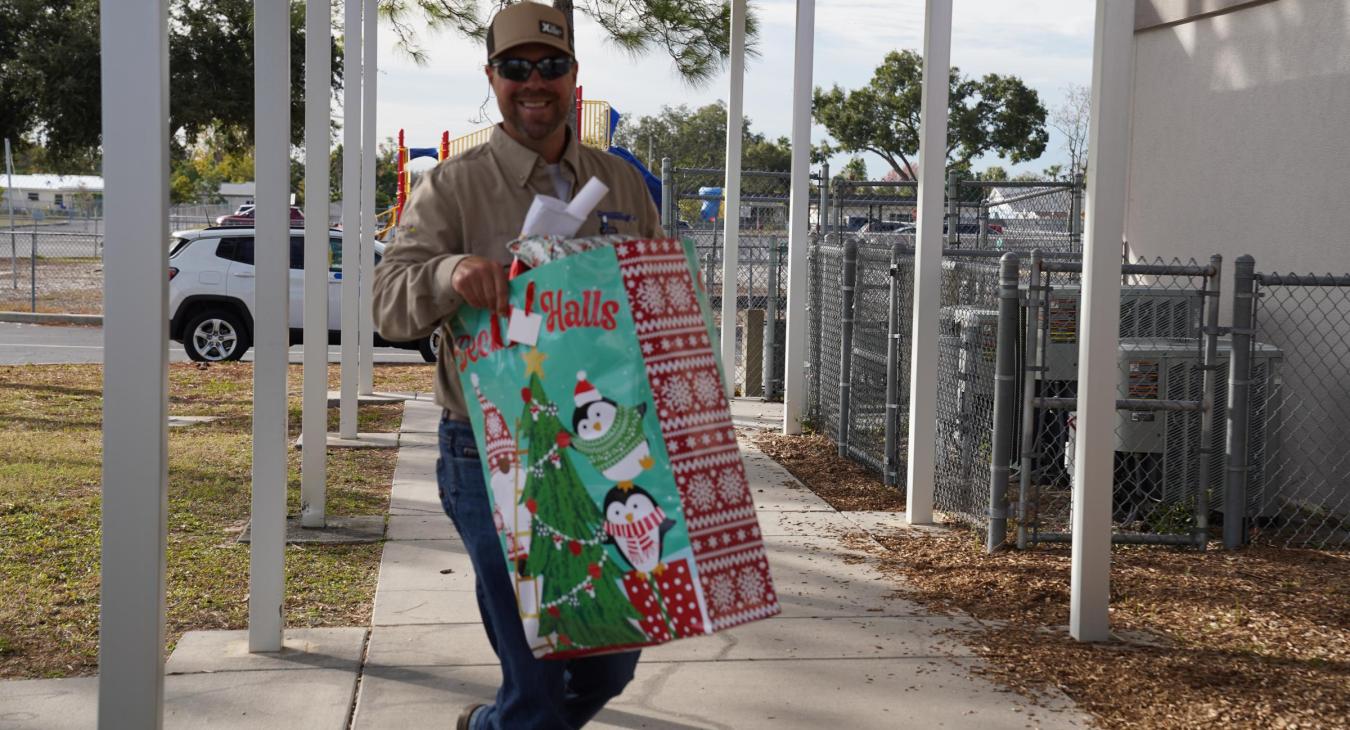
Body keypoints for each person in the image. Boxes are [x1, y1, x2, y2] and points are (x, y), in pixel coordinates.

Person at [370, 3, 661, 728]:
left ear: (575, 77)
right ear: (492, 78)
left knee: (610, 661)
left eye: (552, 67)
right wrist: (449, 273)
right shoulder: (453, 187)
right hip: (490, 449)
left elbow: (653, 305)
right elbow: (387, 304)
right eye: (517, 68)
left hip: (604, 450)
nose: (536, 82)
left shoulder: (622, 185)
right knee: (536, 686)